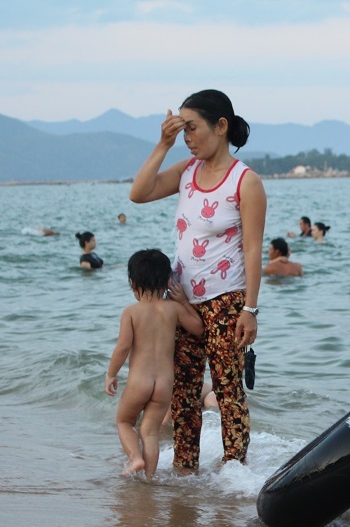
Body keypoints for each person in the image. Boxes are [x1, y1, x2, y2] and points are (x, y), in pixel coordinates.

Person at [129, 88, 265, 473]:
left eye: (191, 128)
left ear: (220, 127)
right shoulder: (187, 170)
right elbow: (138, 193)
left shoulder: (246, 181)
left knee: (227, 392)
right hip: (180, 299)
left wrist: (250, 310)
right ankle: (186, 474)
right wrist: (163, 144)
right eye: (182, 130)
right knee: (183, 394)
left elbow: (254, 250)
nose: (187, 137)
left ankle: (234, 477)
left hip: (227, 302)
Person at [106, 249, 204, 478]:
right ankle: (148, 480)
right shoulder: (173, 308)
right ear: (168, 281)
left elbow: (122, 347)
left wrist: (111, 374)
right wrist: (184, 301)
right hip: (164, 384)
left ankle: (135, 459)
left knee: (124, 422)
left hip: (139, 380)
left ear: (132, 283)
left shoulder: (131, 312)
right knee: (149, 432)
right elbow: (198, 328)